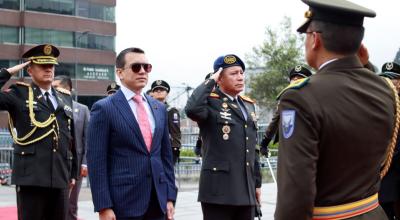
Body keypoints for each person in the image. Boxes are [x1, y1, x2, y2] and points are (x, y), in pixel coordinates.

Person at [275, 0, 397, 219]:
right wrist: (363, 66)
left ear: (315, 39)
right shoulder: (385, 89)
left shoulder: (300, 98)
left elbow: (295, 195)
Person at [87, 47, 176, 220]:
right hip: (123, 202)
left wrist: (170, 196)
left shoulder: (159, 108)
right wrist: (103, 206)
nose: (143, 71)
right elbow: (96, 161)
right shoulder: (104, 108)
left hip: (157, 201)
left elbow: (165, 156)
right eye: (136, 67)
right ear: (120, 73)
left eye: (147, 67)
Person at [0, 44, 77, 220]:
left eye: (51, 65)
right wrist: (7, 72)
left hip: (59, 177)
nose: (48, 69)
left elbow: (69, 137)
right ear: (30, 70)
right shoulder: (19, 94)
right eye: (43, 65)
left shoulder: (64, 97)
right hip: (31, 178)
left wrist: (72, 173)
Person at [185, 54, 262, 220]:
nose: (240, 77)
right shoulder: (210, 102)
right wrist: (211, 80)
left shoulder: (248, 105)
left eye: (241, 72)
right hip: (218, 191)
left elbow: (252, 146)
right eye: (233, 74)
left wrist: (257, 183)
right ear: (219, 78)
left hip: (246, 189)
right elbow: (191, 109)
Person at [52, 75, 90, 220]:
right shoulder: (50, 108)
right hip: (54, 163)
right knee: (53, 203)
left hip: (76, 163)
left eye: (56, 87)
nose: (53, 90)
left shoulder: (82, 109)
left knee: (71, 205)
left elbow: (88, 139)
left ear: (68, 89)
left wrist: (85, 162)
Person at [260, 65, 312, 157]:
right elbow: (276, 120)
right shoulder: (285, 98)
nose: (296, 80)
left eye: (300, 78)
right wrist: (265, 142)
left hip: (308, 144)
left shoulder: (313, 98)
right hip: (289, 145)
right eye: (293, 78)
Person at [379, 62, 400, 220]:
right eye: (384, 78)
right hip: (381, 183)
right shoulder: (377, 107)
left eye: (391, 79)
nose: (387, 82)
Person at [151, 80, 181, 165]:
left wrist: (176, 147)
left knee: (167, 174)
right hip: (151, 147)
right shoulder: (148, 110)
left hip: (166, 147)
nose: (159, 91)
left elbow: (175, 131)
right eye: (156, 90)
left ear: (167, 93)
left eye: (162, 90)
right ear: (152, 93)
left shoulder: (171, 110)